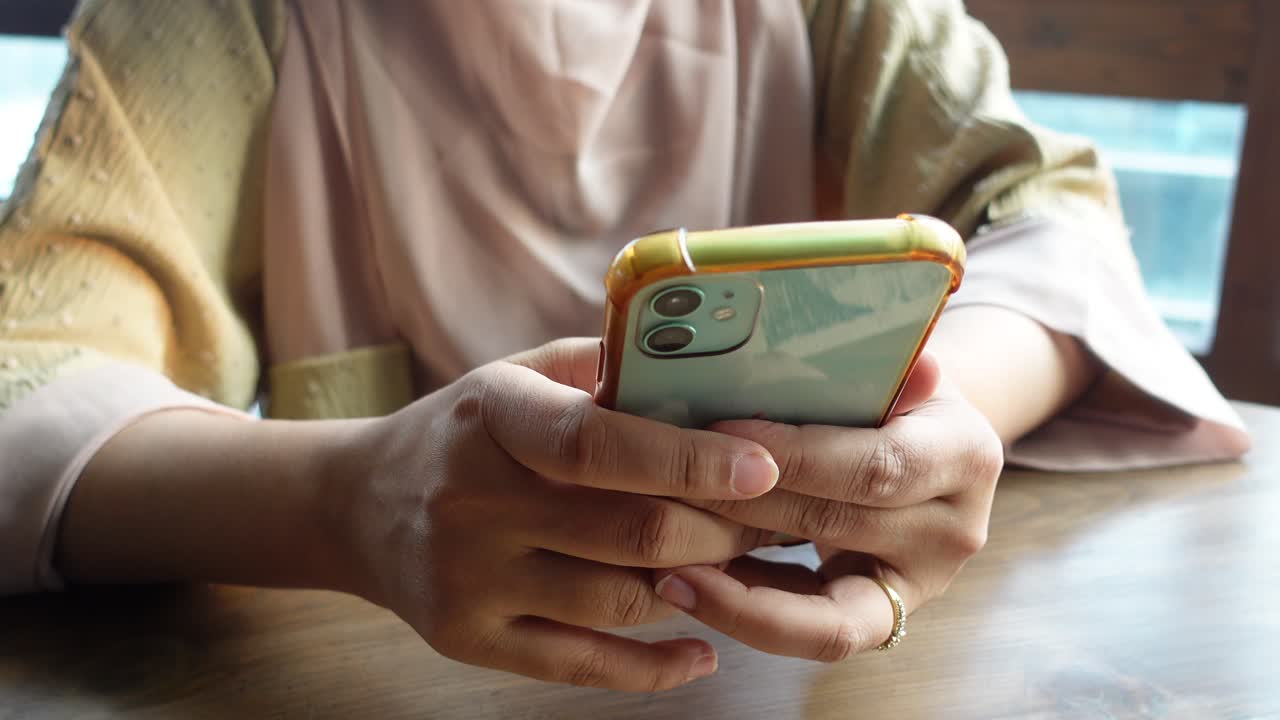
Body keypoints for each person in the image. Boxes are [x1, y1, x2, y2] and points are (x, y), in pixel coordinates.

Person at [0, 0, 1249, 692]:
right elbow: (25, 378)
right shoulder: (222, 25)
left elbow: (1054, 232)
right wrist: (344, 497)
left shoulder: (842, 16)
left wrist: (924, 422)